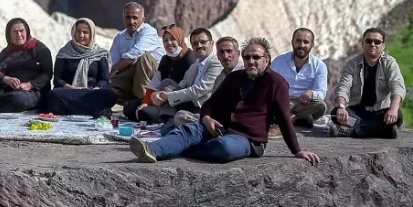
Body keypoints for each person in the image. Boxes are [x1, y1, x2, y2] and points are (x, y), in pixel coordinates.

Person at [129, 38, 321, 165]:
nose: (251, 61)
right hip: (218, 127)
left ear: (267, 60)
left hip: (247, 139)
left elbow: (285, 119)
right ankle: (150, 150)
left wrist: (297, 151)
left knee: (225, 148)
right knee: (188, 130)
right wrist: (206, 119)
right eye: (247, 57)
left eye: (256, 57)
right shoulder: (234, 77)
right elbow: (210, 104)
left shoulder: (277, 84)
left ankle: (182, 150)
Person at [329, 28, 406, 138]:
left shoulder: (390, 63)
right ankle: (383, 130)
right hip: (358, 111)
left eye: (377, 42)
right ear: (363, 44)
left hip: (381, 112)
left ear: (383, 46)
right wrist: (341, 106)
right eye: (369, 41)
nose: (372, 44)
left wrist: (393, 109)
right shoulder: (352, 64)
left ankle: (351, 131)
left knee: (397, 115)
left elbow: (397, 86)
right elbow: (343, 86)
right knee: (335, 114)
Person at [0, 18, 54, 112]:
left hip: (32, 92)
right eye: (15, 32)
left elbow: (47, 74)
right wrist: (6, 79)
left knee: (17, 99)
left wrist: (29, 85)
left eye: (21, 31)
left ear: (27, 32)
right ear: (9, 35)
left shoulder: (40, 50)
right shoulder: (7, 51)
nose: (19, 35)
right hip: (7, 89)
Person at [48, 17, 117, 117]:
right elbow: (58, 80)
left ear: (91, 34)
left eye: (85, 32)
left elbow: (104, 79)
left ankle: (72, 109)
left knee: (111, 96)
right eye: (78, 32)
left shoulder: (100, 54)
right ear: (73, 33)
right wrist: (72, 88)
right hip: (69, 92)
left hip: (91, 93)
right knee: (53, 94)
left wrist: (95, 89)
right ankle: (94, 111)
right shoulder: (64, 53)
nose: (81, 35)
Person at [123, 25, 192, 123]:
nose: (169, 43)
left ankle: (167, 117)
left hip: (177, 105)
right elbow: (155, 83)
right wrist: (147, 102)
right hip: (158, 98)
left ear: (180, 39)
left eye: (173, 39)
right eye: (165, 40)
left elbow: (190, 89)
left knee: (144, 113)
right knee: (128, 108)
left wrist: (166, 96)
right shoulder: (165, 59)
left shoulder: (189, 59)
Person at [157, 27, 223, 116]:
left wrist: (169, 97)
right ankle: (167, 116)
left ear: (211, 43)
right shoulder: (195, 65)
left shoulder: (216, 63)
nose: (199, 46)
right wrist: (159, 95)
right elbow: (182, 85)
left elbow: (198, 90)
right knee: (167, 83)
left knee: (180, 117)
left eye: (203, 42)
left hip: (202, 109)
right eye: (195, 43)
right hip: (186, 103)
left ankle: (169, 118)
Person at [270, 28, 329, 127]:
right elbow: (269, 86)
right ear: (292, 42)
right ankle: (297, 119)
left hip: (303, 104)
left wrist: (311, 93)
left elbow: (321, 92)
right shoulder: (279, 61)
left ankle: (286, 118)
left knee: (321, 106)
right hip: (281, 102)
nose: (301, 45)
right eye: (298, 41)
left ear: (312, 45)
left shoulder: (319, 65)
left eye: (306, 42)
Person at [109, 2, 164, 103]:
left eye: (135, 18)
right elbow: (112, 61)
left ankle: (143, 100)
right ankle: (124, 99)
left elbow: (135, 53)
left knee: (143, 58)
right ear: (123, 19)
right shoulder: (119, 37)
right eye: (128, 17)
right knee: (108, 84)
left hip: (155, 77)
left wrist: (116, 68)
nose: (131, 21)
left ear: (142, 20)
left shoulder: (149, 32)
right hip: (131, 73)